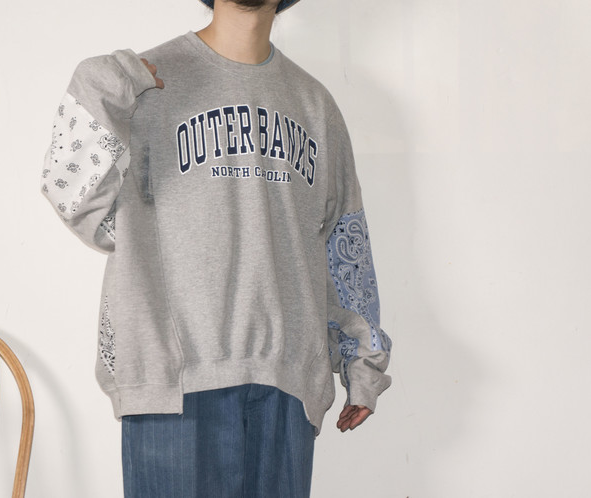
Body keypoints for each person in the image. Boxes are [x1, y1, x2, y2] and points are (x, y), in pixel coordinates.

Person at [41, 0, 392, 496]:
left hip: (287, 382)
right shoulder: (139, 83)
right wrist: (103, 85)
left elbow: (342, 241)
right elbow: (76, 200)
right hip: (172, 383)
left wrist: (362, 360)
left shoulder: (314, 103)